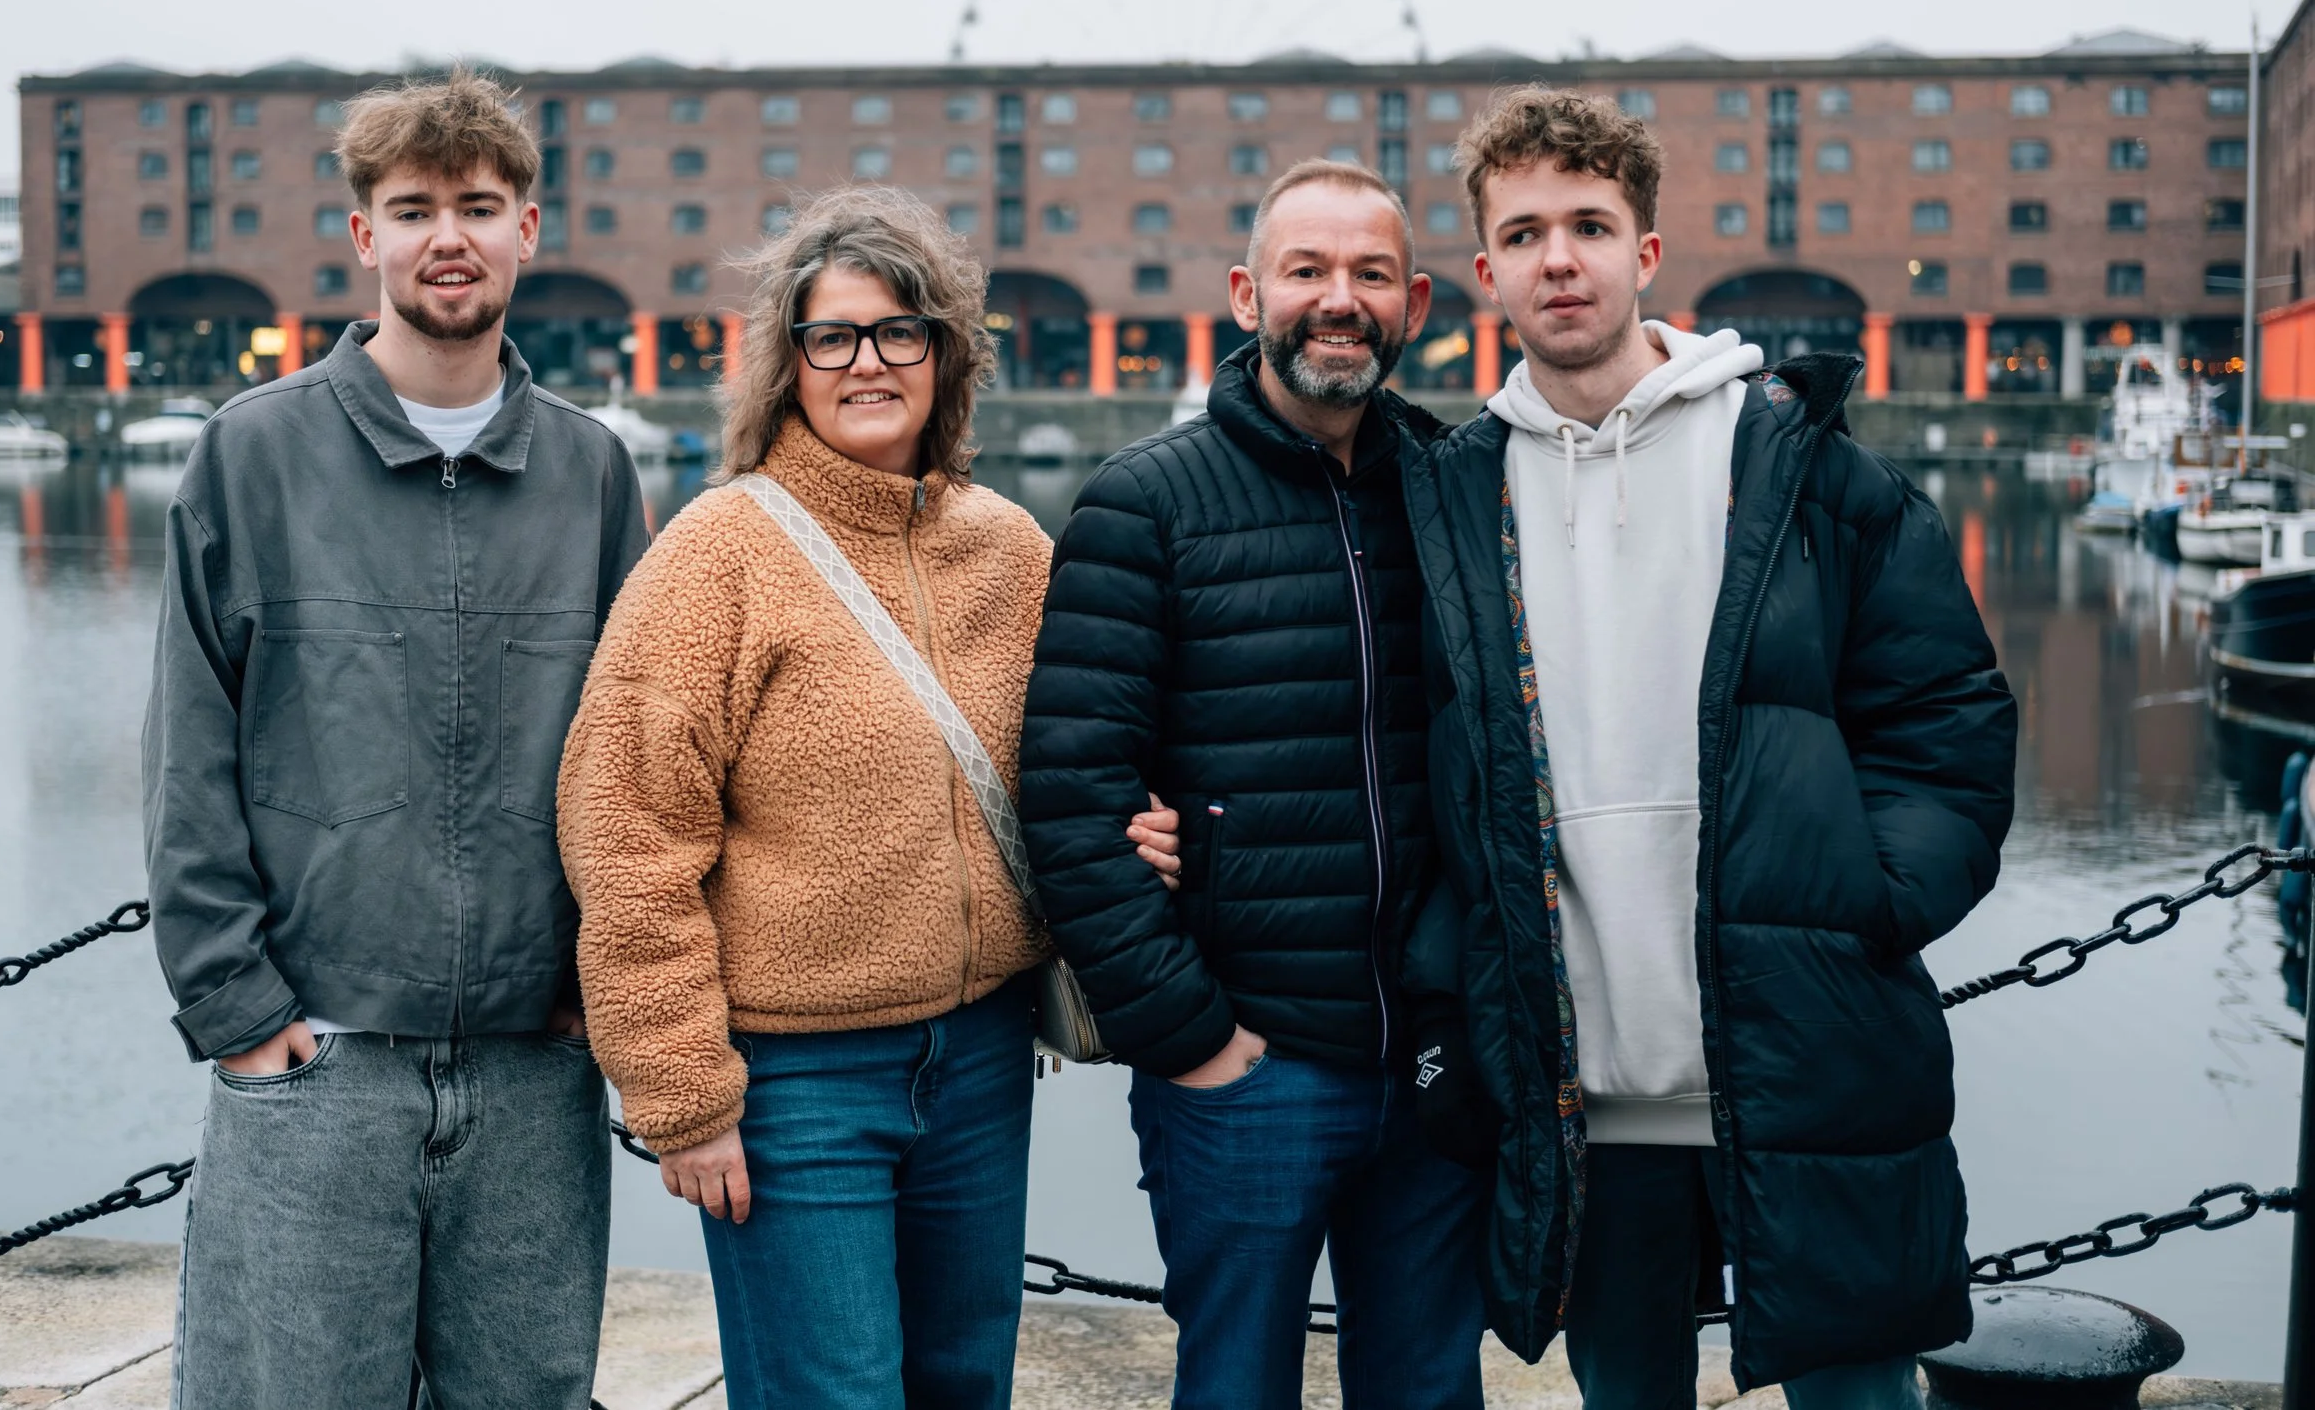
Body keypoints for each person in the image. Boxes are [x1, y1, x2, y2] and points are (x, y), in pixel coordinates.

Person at [1398, 87, 2017, 1406]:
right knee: (1628, 1390)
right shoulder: (1451, 493)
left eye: (1589, 223)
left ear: (1647, 252)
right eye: (1525, 232)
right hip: (1584, 1090)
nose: (1559, 258)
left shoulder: (1800, 462)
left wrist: (1866, 904)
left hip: (1805, 1052)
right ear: (1485, 271)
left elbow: (1948, 717)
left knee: (1858, 1390)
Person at [555, 187, 1179, 1410]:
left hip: (986, 1053)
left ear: (946, 355)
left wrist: (1131, 830)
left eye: (901, 330)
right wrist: (682, 1097)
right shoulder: (718, 551)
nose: (868, 361)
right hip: (797, 1078)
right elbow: (627, 829)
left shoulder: (1009, 547)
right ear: (787, 364)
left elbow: (1078, 757)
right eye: (831, 335)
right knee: (829, 1393)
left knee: (961, 1383)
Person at [142, 68, 650, 1408]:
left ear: (529, 231)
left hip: (539, 1070)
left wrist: (613, 1002)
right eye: (414, 207)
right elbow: (188, 747)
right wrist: (243, 1014)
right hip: (323, 1062)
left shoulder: (593, 471)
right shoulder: (251, 456)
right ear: (363, 235)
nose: (450, 237)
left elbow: (645, 756)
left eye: (479, 206)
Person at [1020, 159, 1488, 1410]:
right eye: (1308, 270)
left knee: (1433, 1388)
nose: (1339, 299)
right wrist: (1193, 1039)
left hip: (1436, 1061)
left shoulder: (1456, 491)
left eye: (1369, 274)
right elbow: (1072, 798)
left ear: (1416, 301)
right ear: (1246, 293)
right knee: (1234, 1388)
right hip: (1249, 1067)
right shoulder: (1143, 504)